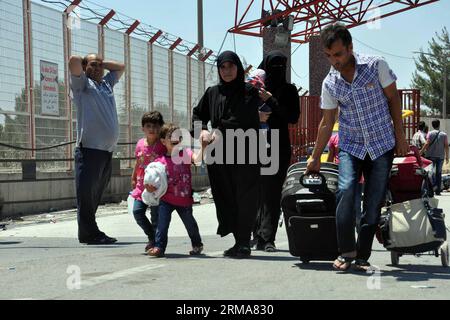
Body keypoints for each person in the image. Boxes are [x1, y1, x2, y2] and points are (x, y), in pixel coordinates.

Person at [306, 23, 409, 271]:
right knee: (346, 189)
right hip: (350, 145)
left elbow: (394, 98)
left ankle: (362, 255)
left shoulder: (376, 66)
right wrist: (315, 156)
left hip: (382, 144)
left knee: (372, 203)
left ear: (350, 48)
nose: (334, 61)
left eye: (338, 54)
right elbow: (326, 122)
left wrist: (400, 135)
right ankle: (346, 251)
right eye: (329, 56)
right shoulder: (330, 83)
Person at [192, 51, 261, 258]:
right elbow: (198, 113)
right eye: (223, 67)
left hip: (245, 152)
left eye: (231, 66)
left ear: (238, 68)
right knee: (226, 196)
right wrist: (202, 129)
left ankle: (244, 242)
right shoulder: (212, 92)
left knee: (245, 197)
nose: (227, 71)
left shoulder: (249, 91)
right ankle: (238, 241)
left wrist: (218, 131)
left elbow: (243, 119)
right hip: (218, 155)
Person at [69, 53, 125, 245]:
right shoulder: (82, 85)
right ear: (85, 67)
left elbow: (121, 66)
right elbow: (73, 60)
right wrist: (87, 63)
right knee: (86, 194)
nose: (97, 68)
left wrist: (101, 62)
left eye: (100, 65)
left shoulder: (107, 84)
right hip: (89, 150)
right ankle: (89, 233)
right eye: (92, 65)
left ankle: (88, 231)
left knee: (95, 193)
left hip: (106, 150)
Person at [253, 51, 300, 252]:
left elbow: (292, 117)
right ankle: (255, 233)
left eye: (282, 66)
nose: (278, 71)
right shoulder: (254, 87)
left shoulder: (288, 90)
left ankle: (267, 237)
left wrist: (272, 100)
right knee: (255, 192)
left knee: (272, 193)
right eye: (274, 66)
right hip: (254, 145)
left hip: (278, 146)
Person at [147, 124, 205, 257]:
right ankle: (159, 247)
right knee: (162, 225)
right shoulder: (159, 161)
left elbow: (197, 161)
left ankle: (197, 244)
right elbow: (152, 179)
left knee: (190, 224)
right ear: (163, 141)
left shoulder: (185, 155)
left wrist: (203, 146)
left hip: (184, 200)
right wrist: (149, 186)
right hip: (166, 199)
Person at [130, 111, 166, 252]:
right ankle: (152, 235)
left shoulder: (162, 145)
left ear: (161, 127)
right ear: (143, 128)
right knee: (137, 212)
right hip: (141, 188)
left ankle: (157, 244)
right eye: (149, 126)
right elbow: (138, 162)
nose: (152, 129)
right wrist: (133, 177)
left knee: (156, 218)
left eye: (156, 126)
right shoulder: (140, 144)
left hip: (156, 189)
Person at [421, 119, 449, 195]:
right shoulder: (444, 134)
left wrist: (421, 152)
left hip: (430, 156)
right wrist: (447, 157)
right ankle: (438, 190)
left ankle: (431, 189)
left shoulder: (429, 133)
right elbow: (446, 146)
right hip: (440, 157)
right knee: (438, 173)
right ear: (439, 125)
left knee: (431, 173)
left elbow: (427, 144)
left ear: (432, 125)